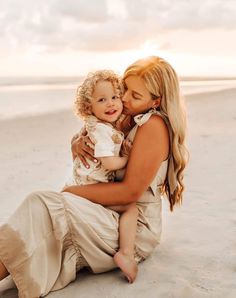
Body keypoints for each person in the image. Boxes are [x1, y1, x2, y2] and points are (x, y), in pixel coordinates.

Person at [0, 56, 188, 298]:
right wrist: (76, 142)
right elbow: (95, 131)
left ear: (157, 101)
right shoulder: (126, 115)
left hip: (131, 226)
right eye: (125, 90)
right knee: (39, 211)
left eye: (135, 95)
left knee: (43, 203)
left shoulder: (153, 126)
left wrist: (70, 193)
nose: (124, 99)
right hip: (108, 210)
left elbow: (130, 192)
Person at [65, 69, 139, 283]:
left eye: (115, 97)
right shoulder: (102, 131)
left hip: (82, 183)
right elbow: (109, 163)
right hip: (91, 189)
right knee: (130, 208)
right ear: (89, 107)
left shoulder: (95, 125)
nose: (111, 104)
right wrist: (127, 158)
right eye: (102, 100)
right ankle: (126, 253)